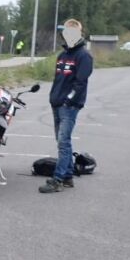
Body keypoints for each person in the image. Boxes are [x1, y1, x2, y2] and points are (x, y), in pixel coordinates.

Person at [40, 19, 93, 193]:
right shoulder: (62, 56)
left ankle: (58, 179)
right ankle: (68, 176)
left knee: (64, 142)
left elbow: (80, 83)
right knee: (62, 142)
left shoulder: (83, 56)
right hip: (56, 103)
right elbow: (58, 80)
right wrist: (53, 98)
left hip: (69, 106)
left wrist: (68, 101)